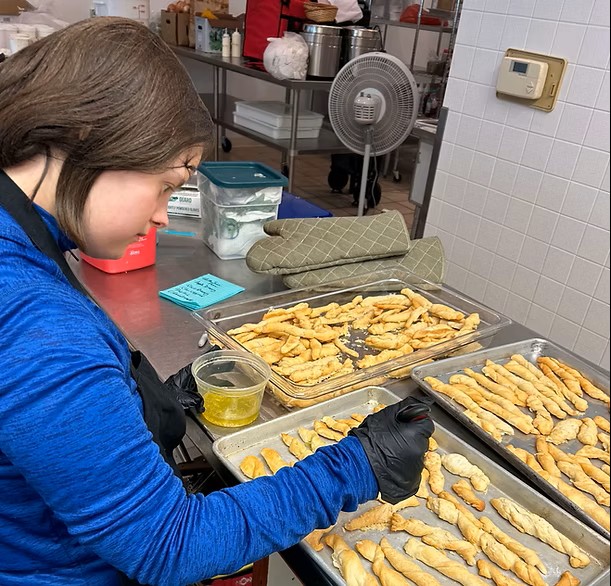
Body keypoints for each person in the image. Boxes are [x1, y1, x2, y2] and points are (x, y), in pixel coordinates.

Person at [0, 17, 434, 586]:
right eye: (166, 185)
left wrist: (144, 399)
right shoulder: (40, 329)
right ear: (86, 139)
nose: (162, 215)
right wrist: (357, 464)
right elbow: (171, 544)